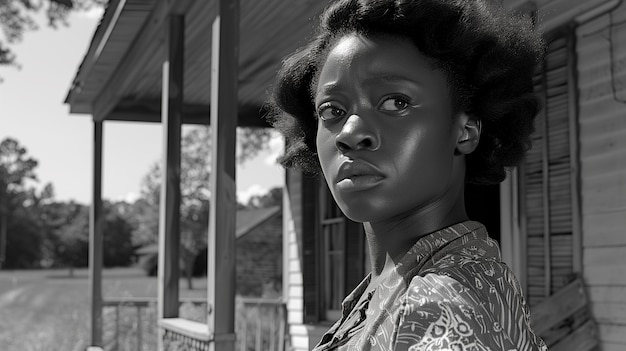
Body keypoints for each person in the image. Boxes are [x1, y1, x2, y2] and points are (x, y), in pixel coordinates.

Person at [267, 0, 547, 350]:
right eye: (332, 110)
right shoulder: (393, 284)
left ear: (465, 131)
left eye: (395, 102)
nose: (349, 133)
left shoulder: (440, 310)